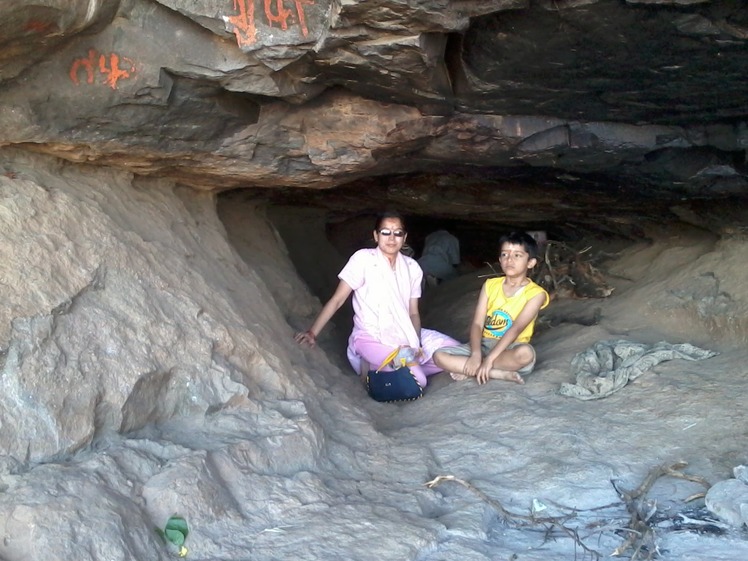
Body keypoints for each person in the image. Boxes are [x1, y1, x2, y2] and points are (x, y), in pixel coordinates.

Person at [295, 211, 459, 388]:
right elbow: (338, 299)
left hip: (404, 331)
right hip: (370, 336)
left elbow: (413, 313)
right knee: (418, 379)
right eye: (385, 232)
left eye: (398, 233)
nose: (391, 238)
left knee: (454, 350)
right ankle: (376, 367)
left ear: (404, 238)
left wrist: (416, 342)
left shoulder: (412, 268)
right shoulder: (363, 259)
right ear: (376, 235)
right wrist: (312, 333)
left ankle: (394, 367)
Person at [433, 231, 550, 385]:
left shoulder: (536, 294)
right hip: (484, 344)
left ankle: (477, 368)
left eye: (517, 255)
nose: (509, 260)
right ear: (499, 259)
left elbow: (515, 329)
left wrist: (489, 359)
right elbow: (477, 324)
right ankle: (497, 373)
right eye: (505, 255)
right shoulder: (490, 285)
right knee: (438, 356)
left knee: (525, 354)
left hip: (510, 347)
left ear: (530, 263)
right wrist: (475, 354)